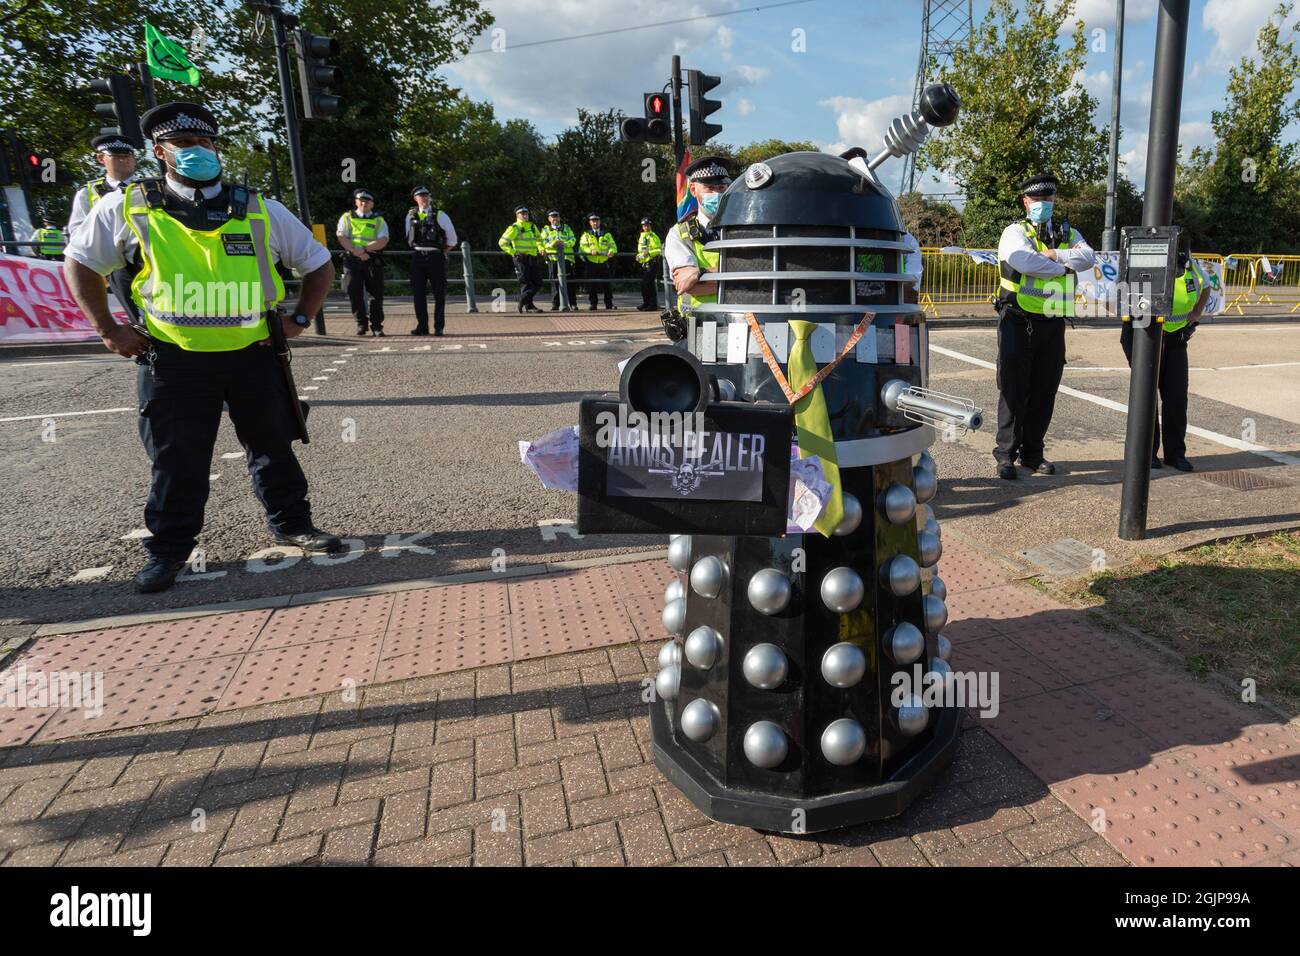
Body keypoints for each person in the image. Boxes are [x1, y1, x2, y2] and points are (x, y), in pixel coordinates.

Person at [62, 101, 341, 594]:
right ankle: (168, 551)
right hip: (174, 359)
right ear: (159, 151)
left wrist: (300, 317)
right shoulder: (126, 205)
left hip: (254, 355)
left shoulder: (258, 207)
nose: (199, 153)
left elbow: (317, 264)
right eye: (186, 145)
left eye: (206, 143)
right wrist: (108, 329)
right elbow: (81, 264)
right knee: (177, 458)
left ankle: (293, 523)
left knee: (273, 446)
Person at [993, 173, 1096, 480]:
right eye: (1037, 200)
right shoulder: (1015, 231)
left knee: (1044, 392)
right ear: (1026, 202)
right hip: (1018, 321)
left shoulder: (1068, 232)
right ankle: (1005, 455)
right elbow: (1024, 261)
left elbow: (1089, 257)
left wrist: (1056, 254)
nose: (1043, 205)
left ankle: (1032, 454)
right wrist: (1063, 266)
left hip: (1052, 325)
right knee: (1013, 389)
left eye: (1048, 200)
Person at [1120, 244, 1210, 472]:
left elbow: (1206, 286)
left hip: (1176, 340)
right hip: (1146, 337)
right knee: (1147, 396)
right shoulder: (1150, 265)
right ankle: (1148, 452)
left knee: (1177, 398)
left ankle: (1175, 453)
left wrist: (1197, 312)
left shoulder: (1190, 265)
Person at [67, 134, 141, 320]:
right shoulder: (88, 192)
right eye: (116, 156)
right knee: (134, 314)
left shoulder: (148, 187)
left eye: (128, 155)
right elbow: (77, 233)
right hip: (116, 265)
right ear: (101, 159)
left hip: (147, 257)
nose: (124, 160)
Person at [664, 156, 730, 320]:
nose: (716, 193)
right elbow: (688, 285)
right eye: (709, 188)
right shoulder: (678, 233)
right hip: (695, 325)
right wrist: (741, 279)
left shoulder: (743, 229)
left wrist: (701, 274)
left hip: (738, 323)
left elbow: (759, 275)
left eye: (722, 188)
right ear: (693, 189)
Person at [405, 185, 457, 336]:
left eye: (426, 195)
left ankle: (439, 326)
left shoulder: (440, 215)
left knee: (439, 293)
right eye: (420, 196)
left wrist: (441, 251)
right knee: (418, 293)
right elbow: (409, 238)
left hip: (436, 256)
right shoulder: (410, 216)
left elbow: (452, 239)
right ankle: (422, 326)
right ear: (415, 199)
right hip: (417, 257)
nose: (424, 198)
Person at [337, 188, 389, 335]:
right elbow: (341, 236)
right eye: (361, 200)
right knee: (354, 292)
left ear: (372, 204)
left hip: (372, 259)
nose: (363, 203)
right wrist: (357, 252)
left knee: (376, 294)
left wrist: (364, 250)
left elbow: (383, 240)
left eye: (367, 201)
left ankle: (377, 326)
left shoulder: (379, 219)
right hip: (353, 259)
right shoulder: (347, 217)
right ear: (356, 202)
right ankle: (361, 323)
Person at [498, 205, 544, 313]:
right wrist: (514, 252)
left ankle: (522, 299)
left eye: (526, 213)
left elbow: (539, 239)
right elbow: (502, 243)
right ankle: (529, 306)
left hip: (532, 257)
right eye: (522, 213)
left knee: (538, 282)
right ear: (517, 215)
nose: (525, 215)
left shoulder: (532, 226)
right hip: (521, 258)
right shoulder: (514, 227)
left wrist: (541, 248)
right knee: (526, 282)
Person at [540, 210, 577, 311]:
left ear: (559, 218)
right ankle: (555, 304)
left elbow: (573, 239)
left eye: (556, 216)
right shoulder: (545, 230)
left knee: (569, 282)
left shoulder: (567, 228)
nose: (554, 218)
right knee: (554, 283)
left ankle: (573, 303)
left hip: (566, 258)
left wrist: (565, 244)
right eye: (552, 217)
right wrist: (552, 244)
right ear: (549, 219)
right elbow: (542, 242)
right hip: (553, 259)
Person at [579, 213, 617, 310]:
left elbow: (613, 246)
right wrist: (590, 251)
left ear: (599, 222)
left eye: (597, 221)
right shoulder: (586, 234)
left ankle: (609, 304)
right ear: (590, 223)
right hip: (591, 262)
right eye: (593, 221)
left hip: (603, 262)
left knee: (607, 284)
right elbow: (582, 247)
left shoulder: (606, 234)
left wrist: (611, 251)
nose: (595, 223)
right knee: (592, 284)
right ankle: (593, 304)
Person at [635, 217, 662, 311]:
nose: (645, 227)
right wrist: (639, 256)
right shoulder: (642, 236)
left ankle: (652, 305)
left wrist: (649, 253)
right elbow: (641, 250)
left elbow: (659, 249)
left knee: (648, 284)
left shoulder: (653, 236)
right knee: (645, 284)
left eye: (647, 225)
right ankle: (647, 303)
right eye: (644, 225)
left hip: (652, 262)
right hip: (645, 263)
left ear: (650, 226)